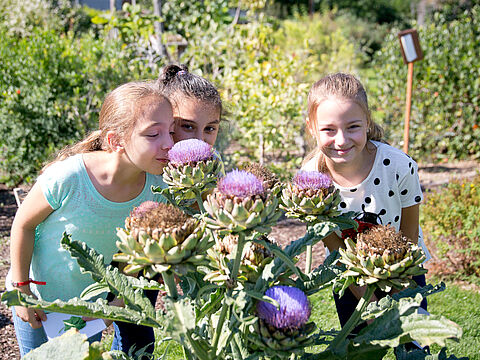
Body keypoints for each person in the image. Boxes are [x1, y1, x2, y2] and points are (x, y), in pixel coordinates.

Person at [6, 81, 175, 358]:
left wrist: (114, 306)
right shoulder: (70, 177)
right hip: (34, 296)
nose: (169, 143)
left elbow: (136, 256)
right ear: (115, 140)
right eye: (153, 134)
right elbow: (23, 224)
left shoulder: (157, 191)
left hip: (89, 310)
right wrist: (21, 292)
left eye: (169, 132)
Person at [301, 72, 431, 335]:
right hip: (348, 273)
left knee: (413, 343)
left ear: (367, 122)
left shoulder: (399, 166)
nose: (341, 140)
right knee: (357, 347)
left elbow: (409, 234)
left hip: (404, 267)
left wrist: (396, 289)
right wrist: (366, 299)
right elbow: (333, 244)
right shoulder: (310, 180)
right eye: (328, 129)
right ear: (312, 127)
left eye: (353, 127)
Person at [110, 64, 223, 355]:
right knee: (136, 327)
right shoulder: (149, 161)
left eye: (210, 128)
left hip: (184, 253)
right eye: (187, 126)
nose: (200, 138)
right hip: (138, 258)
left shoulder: (212, 163)